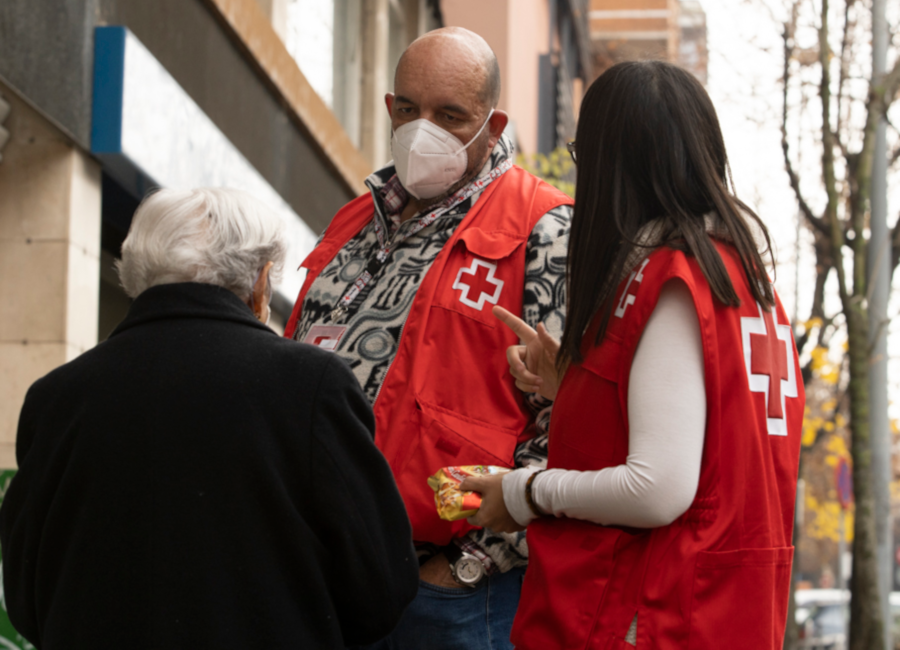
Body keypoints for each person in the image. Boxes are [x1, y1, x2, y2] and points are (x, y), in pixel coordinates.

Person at [462, 61, 805, 649]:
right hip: (719, 612)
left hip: (657, 612)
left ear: (610, 165)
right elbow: (698, 432)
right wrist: (569, 387)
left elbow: (658, 488)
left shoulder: (674, 278)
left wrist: (522, 492)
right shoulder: (745, 280)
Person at [0, 188, 418, 649]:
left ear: (137, 274)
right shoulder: (311, 384)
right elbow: (381, 585)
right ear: (260, 283)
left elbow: (24, 597)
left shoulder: (55, 398)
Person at [284, 27, 572, 649]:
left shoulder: (545, 228)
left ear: (492, 126)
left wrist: (471, 564)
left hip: (449, 597)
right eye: (409, 109)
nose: (423, 130)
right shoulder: (354, 220)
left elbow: (576, 421)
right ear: (389, 108)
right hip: (322, 584)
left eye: (449, 115)